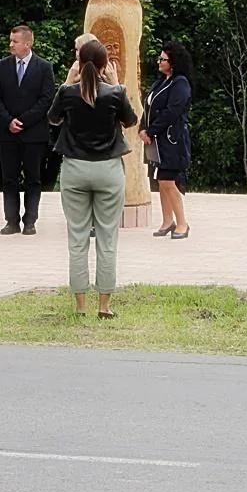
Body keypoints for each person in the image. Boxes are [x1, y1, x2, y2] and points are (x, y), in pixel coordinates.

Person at [47, 39, 139, 318]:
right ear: (103, 65)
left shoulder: (67, 93)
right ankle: (104, 306)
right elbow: (131, 120)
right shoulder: (114, 93)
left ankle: (80, 306)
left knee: (77, 238)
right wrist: (117, 82)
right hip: (108, 169)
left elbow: (52, 118)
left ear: (79, 63)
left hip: (75, 168)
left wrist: (67, 81)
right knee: (107, 238)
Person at [0, 25, 56, 235]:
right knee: (9, 178)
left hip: (33, 133)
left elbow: (46, 99)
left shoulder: (44, 67)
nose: (11, 45)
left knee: (33, 178)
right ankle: (11, 220)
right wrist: (9, 120)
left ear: (27, 44)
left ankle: (30, 220)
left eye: (14, 41)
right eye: (10, 40)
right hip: (7, 132)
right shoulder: (2, 66)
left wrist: (24, 121)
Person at [142, 41, 193, 238]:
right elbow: (149, 107)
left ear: (173, 62)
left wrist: (152, 130)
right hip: (157, 140)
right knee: (161, 181)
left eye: (163, 59)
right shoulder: (161, 82)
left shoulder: (180, 83)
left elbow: (172, 111)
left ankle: (182, 223)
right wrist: (142, 128)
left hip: (172, 140)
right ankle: (167, 221)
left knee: (169, 181)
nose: (159, 62)